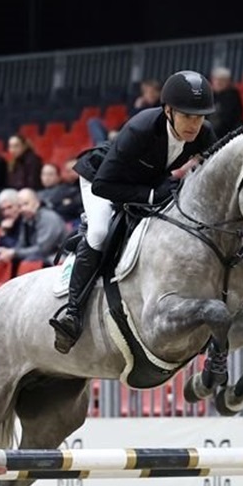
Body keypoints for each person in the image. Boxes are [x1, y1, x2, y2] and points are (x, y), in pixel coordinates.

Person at [50, 70, 219, 353]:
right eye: (187, 116)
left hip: (145, 181)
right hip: (101, 178)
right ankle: (72, 313)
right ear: (168, 111)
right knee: (99, 232)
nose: (194, 124)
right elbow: (103, 185)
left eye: (200, 117)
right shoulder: (141, 129)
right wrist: (151, 195)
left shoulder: (204, 133)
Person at [208, 67, 243, 138]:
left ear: (228, 82)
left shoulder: (232, 96)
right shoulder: (208, 94)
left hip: (226, 133)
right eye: (217, 79)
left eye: (222, 80)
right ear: (212, 80)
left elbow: (230, 118)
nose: (219, 82)